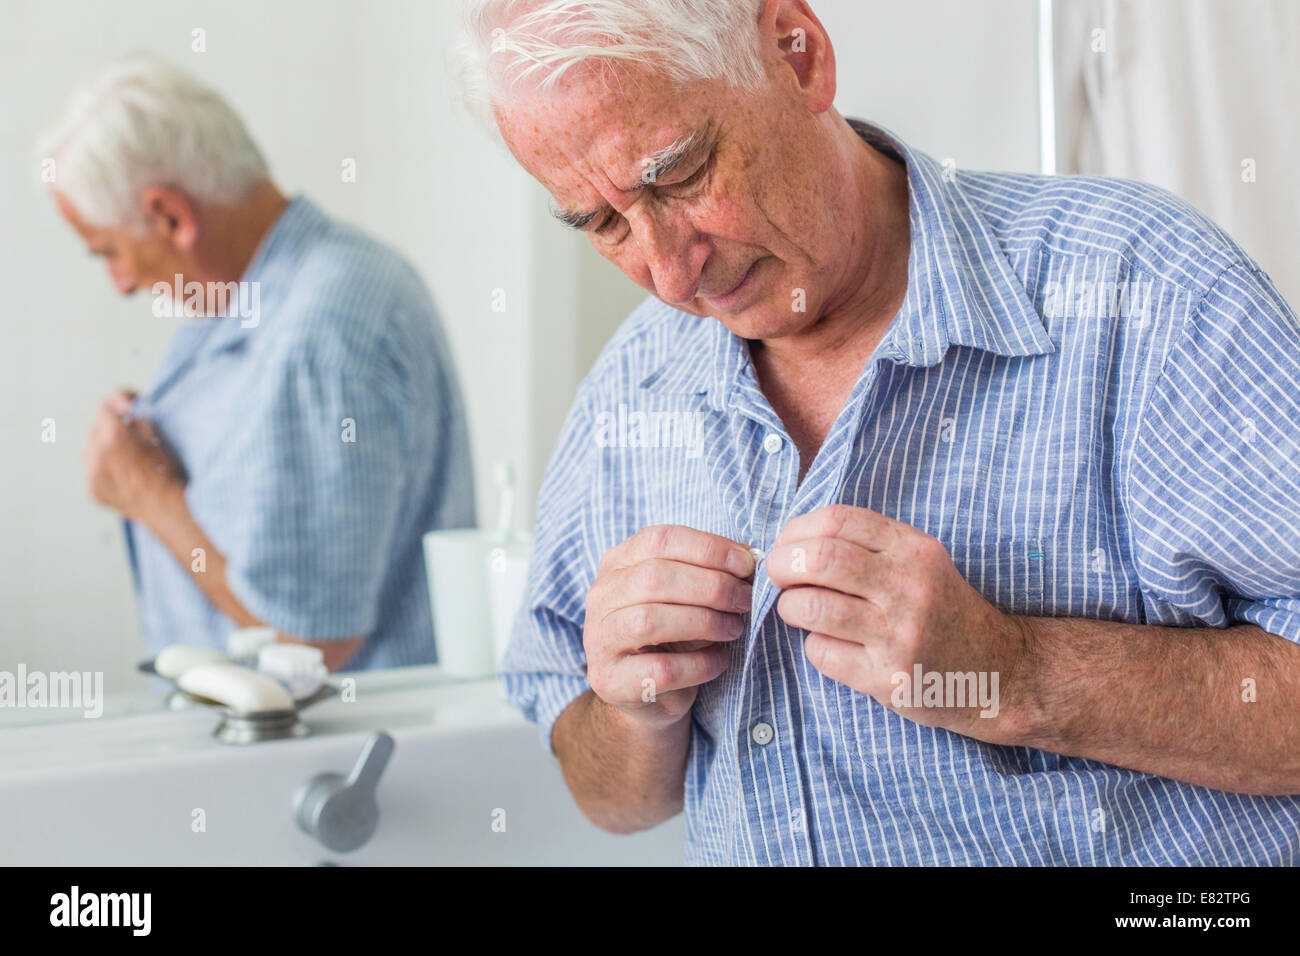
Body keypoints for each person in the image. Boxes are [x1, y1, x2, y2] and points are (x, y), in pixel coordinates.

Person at [457, 0, 1300, 864]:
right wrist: (633, 712)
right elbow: (607, 797)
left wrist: (1015, 671)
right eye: (602, 224)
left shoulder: (1140, 285)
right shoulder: (630, 389)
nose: (670, 274)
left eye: (678, 175)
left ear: (799, 55)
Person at [40, 57, 476, 672]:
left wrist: (146, 495)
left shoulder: (322, 329)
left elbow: (310, 641)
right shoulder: (271, 290)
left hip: (319, 750)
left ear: (170, 216)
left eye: (108, 251)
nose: (119, 284)